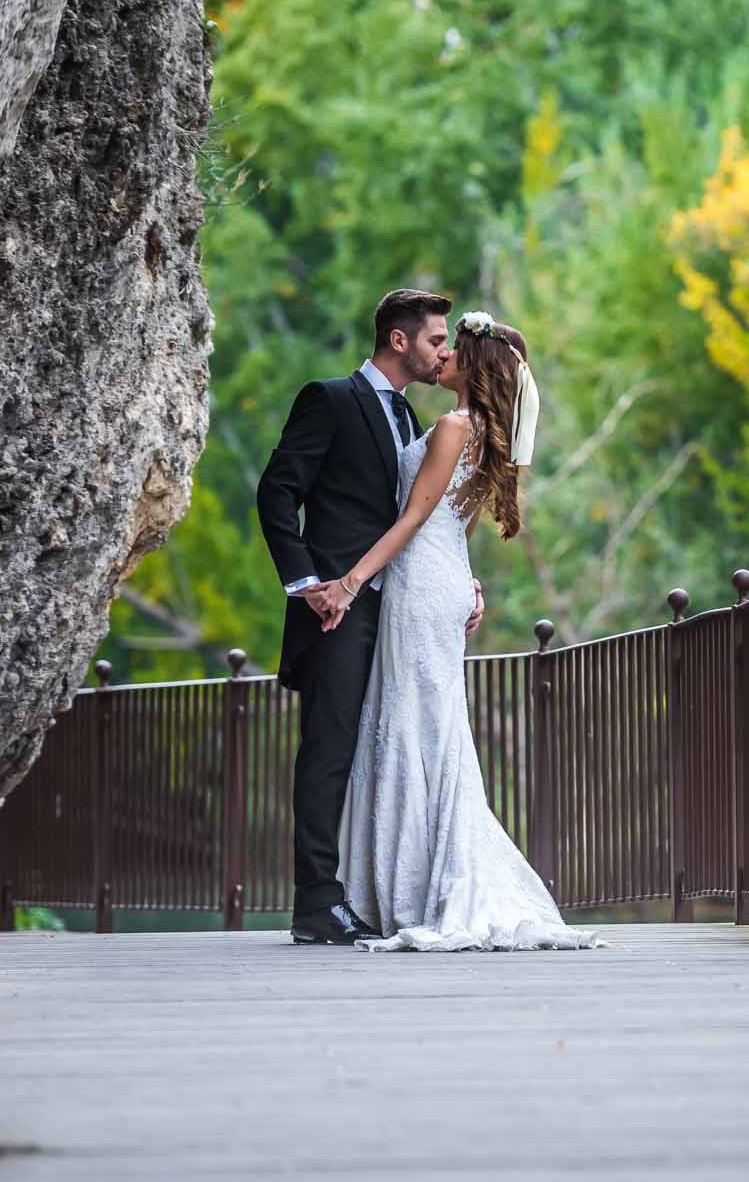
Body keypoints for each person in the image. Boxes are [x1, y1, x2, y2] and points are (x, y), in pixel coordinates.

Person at [308, 310, 606, 953]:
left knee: (415, 728)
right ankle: (409, 887)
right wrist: (468, 582)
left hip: (418, 589)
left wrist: (351, 581)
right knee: (426, 729)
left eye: (452, 347)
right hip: (441, 583)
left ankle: (417, 891)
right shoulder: (477, 432)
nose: (440, 356)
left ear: (473, 364)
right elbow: (454, 522)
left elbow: (416, 518)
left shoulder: (451, 425)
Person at [257, 289, 483, 945]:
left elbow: (425, 517)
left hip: (398, 609)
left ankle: (370, 892)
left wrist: (461, 582)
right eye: (437, 339)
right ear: (398, 338)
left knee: (375, 754)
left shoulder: (413, 419)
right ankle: (316, 901)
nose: (446, 350)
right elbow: (278, 490)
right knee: (329, 748)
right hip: (336, 609)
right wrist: (307, 584)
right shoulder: (329, 399)